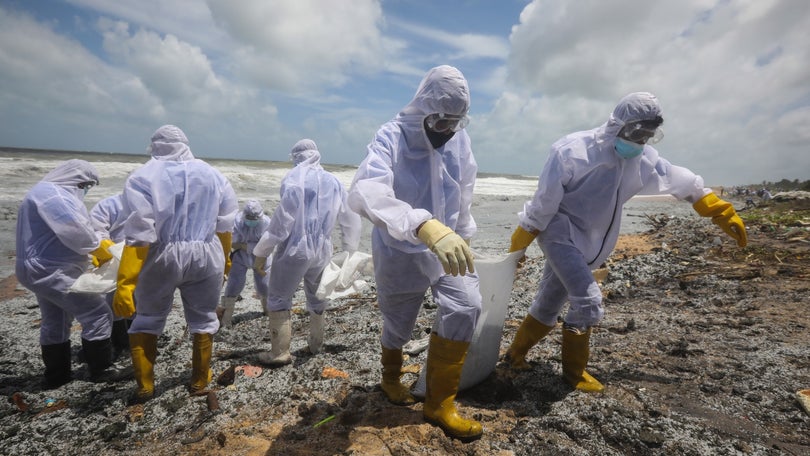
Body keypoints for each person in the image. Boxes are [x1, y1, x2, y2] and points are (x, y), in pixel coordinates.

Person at [505, 92, 748, 393]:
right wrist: (519, 245)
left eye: (649, 134)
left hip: (589, 243)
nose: (641, 140)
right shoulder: (572, 151)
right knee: (588, 301)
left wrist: (720, 211)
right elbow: (543, 203)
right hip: (560, 234)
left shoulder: (643, 160)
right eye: (636, 131)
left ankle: (514, 355)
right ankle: (573, 373)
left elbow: (680, 180)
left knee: (549, 301)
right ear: (617, 123)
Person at [348, 65, 483, 442]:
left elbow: (465, 191)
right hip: (399, 248)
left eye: (457, 122)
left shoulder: (459, 140)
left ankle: (440, 402)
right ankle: (391, 377)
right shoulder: (391, 137)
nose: (448, 131)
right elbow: (366, 192)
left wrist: (462, 235)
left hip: (448, 245)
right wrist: (423, 225)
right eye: (441, 122)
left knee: (466, 304)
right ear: (423, 109)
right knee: (399, 321)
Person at [113, 125, 238, 403]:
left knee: (147, 317)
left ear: (155, 146)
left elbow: (140, 233)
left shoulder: (143, 176)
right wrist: (226, 261)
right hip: (207, 254)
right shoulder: (214, 175)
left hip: (161, 255)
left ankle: (145, 387)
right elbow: (225, 225)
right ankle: (199, 381)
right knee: (204, 318)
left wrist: (125, 282)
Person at [252, 139, 361, 364]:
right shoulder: (334, 181)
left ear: (296, 158)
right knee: (317, 294)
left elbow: (283, 221)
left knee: (279, 296)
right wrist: (350, 249)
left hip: (295, 248)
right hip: (322, 248)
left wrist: (262, 250)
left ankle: (280, 352)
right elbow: (350, 218)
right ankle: (316, 344)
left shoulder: (294, 178)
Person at [15, 159, 118, 388]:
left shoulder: (43, 191)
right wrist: (99, 247)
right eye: (85, 186)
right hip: (50, 269)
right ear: (75, 179)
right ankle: (101, 370)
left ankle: (57, 376)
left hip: (40, 267)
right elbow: (76, 231)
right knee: (97, 312)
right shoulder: (56, 196)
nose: (85, 190)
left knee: (56, 319)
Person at [89, 193, 132, 358]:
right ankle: (119, 343)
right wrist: (109, 248)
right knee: (113, 300)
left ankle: (132, 341)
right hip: (113, 258)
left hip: (142, 257)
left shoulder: (154, 203)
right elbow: (95, 229)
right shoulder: (111, 204)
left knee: (139, 300)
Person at [217, 199, 271, 328]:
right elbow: (231, 242)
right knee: (233, 285)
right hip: (240, 255)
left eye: (255, 218)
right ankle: (226, 319)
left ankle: (269, 313)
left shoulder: (267, 223)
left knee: (265, 286)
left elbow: (269, 243)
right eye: (249, 217)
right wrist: (243, 246)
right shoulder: (237, 222)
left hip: (261, 256)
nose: (251, 220)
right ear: (244, 215)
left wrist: (250, 247)